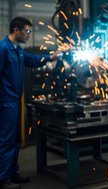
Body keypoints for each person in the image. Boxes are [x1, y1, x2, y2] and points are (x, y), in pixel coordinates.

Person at [0, 17, 62, 189]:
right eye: (27, 31)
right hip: (6, 102)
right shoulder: (3, 49)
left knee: (16, 139)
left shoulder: (18, 51)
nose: (29, 35)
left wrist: (52, 56)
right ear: (16, 30)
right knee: (5, 140)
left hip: (15, 101)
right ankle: (3, 178)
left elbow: (33, 60)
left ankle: (12, 171)